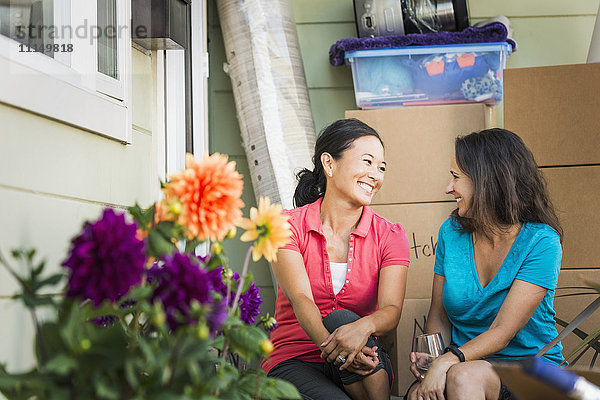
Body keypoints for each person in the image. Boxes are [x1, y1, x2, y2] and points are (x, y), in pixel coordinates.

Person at [407, 128, 564, 400]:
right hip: (462, 364)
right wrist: (432, 359)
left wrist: (448, 361)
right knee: (418, 395)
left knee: (463, 376)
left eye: (455, 177)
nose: (448, 188)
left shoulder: (541, 242)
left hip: (528, 372)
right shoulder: (450, 232)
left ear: (486, 181)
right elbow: (439, 314)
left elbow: (502, 332)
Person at [262, 118, 410, 400]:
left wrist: (361, 329)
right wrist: (335, 349)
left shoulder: (391, 235)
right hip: (297, 358)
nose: (375, 175)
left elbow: (391, 310)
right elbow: (301, 298)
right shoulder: (286, 226)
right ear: (329, 164)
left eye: (381, 167)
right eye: (367, 162)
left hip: (362, 357)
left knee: (343, 319)